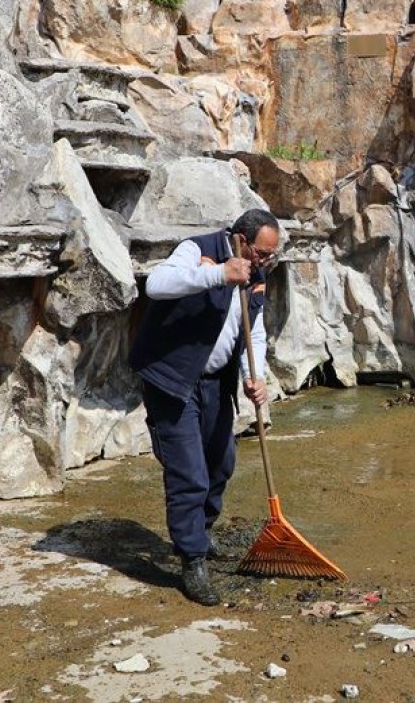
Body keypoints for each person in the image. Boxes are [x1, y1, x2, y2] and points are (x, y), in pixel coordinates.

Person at [128, 208, 278, 606]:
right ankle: (191, 558)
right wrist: (219, 273)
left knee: (220, 461)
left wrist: (255, 374)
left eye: (270, 256)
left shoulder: (256, 277)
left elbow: (254, 330)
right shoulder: (199, 250)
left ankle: (202, 529)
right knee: (189, 473)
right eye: (261, 254)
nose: (264, 262)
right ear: (241, 239)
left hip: (214, 381)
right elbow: (156, 285)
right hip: (172, 380)